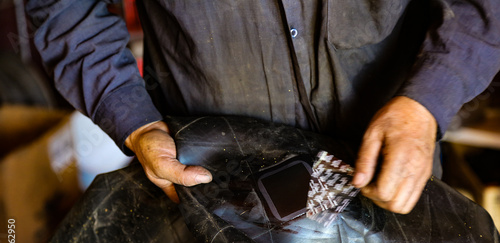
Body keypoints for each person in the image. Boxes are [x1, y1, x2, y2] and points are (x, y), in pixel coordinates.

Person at [26, 0, 500, 214]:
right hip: (214, 185)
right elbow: (62, 7)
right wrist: (133, 119)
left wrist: (428, 100)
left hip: (391, 162)